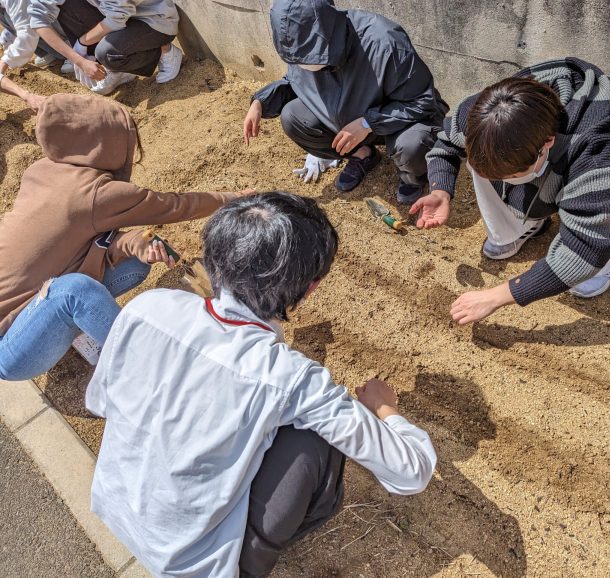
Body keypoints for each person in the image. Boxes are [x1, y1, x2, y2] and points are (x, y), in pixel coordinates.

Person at [86, 192, 437, 577]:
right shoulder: (290, 375)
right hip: (192, 566)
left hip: (113, 508)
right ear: (310, 288)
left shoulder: (148, 307)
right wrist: (386, 409)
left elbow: (101, 402)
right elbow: (412, 472)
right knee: (313, 441)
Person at [0, 93, 249, 381]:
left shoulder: (42, 169)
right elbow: (174, 205)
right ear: (105, 142)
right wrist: (230, 198)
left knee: (135, 263)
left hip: (31, 305)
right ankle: (154, 369)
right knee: (73, 291)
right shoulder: (97, 194)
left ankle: (71, 325)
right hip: (9, 348)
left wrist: (135, 243)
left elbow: (80, 245)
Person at [412, 57, 610, 324]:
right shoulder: (486, 113)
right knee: (485, 164)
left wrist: (497, 296)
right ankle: (520, 226)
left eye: (511, 175)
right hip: (553, 165)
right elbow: (445, 143)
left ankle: (603, 265)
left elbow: (584, 249)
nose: (500, 180)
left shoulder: (598, 153)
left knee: (601, 252)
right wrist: (440, 191)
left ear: (548, 142)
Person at [243, 0, 448, 203]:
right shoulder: (303, 46)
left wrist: (367, 123)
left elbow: (422, 101)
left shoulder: (383, 41)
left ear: (325, 34)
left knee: (413, 145)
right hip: (352, 117)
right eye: (298, 61)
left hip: (399, 119)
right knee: (293, 117)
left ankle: (413, 177)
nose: (304, 65)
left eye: (310, 59)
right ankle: (363, 155)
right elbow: (296, 82)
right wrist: (261, 102)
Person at [28, 0, 183, 95]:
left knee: (107, 54)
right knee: (66, 6)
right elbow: (37, 20)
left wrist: (82, 43)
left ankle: (164, 50)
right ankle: (116, 69)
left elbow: (116, 19)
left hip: (155, 21)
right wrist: (77, 58)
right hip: (122, 17)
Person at [0, 0, 65, 72]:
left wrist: (4, 62)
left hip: (66, 15)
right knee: (3, 13)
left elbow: (26, 31)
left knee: (34, 21)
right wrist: (7, 36)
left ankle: (72, 49)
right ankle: (49, 52)